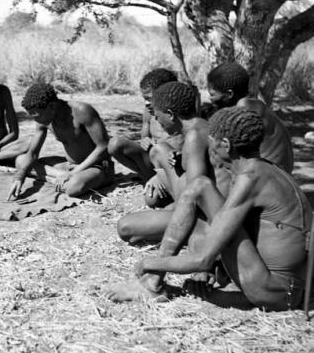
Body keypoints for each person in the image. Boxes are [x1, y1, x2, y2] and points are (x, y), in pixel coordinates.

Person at [107, 107, 312, 312]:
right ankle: (155, 283)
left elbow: (202, 260)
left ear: (226, 145)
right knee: (199, 194)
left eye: (212, 145)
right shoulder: (264, 168)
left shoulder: (250, 178)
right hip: (281, 287)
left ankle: (150, 283)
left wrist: (150, 263)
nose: (211, 153)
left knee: (200, 187)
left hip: (274, 293)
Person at [116, 81, 213, 245]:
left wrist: (173, 224)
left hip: (205, 216)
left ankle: (193, 233)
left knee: (125, 227)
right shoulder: (201, 127)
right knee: (160, 149)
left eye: (158, 115)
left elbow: (195, 199)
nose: (156, 120)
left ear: (170, 114)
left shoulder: (194, 137)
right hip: (195, 201)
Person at [7, 82, 114, 199]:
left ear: (52, 106)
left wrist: (74, 173)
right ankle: (61, 177)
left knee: (73, 188)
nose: (35, 120)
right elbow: (32, 153)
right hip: (69, 166)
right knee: (21, 161)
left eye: (37, 115)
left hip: (97, 167)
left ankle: (62, 178)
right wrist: (19, 177)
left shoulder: (82, 111)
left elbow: (103, 146)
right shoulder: (44, 119)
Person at [107, 68, 181, 207]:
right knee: (115, 144)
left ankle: (164, 181)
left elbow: (181, 148)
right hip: (152, 160)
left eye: (150, 98)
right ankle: (149, 176)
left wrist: (161, 174)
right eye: (145, 99)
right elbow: (144, 135)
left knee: (151, 200)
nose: (147, 103)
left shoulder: (178, 114)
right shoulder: (148, 110)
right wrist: (144, 140)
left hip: (173, 165)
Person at [207, 62, 294, 172]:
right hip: (276, 173)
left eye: (212, 94)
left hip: (270, 175)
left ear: (229, 94)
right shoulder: (255, 104)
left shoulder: (244, 107)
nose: (210, 99)